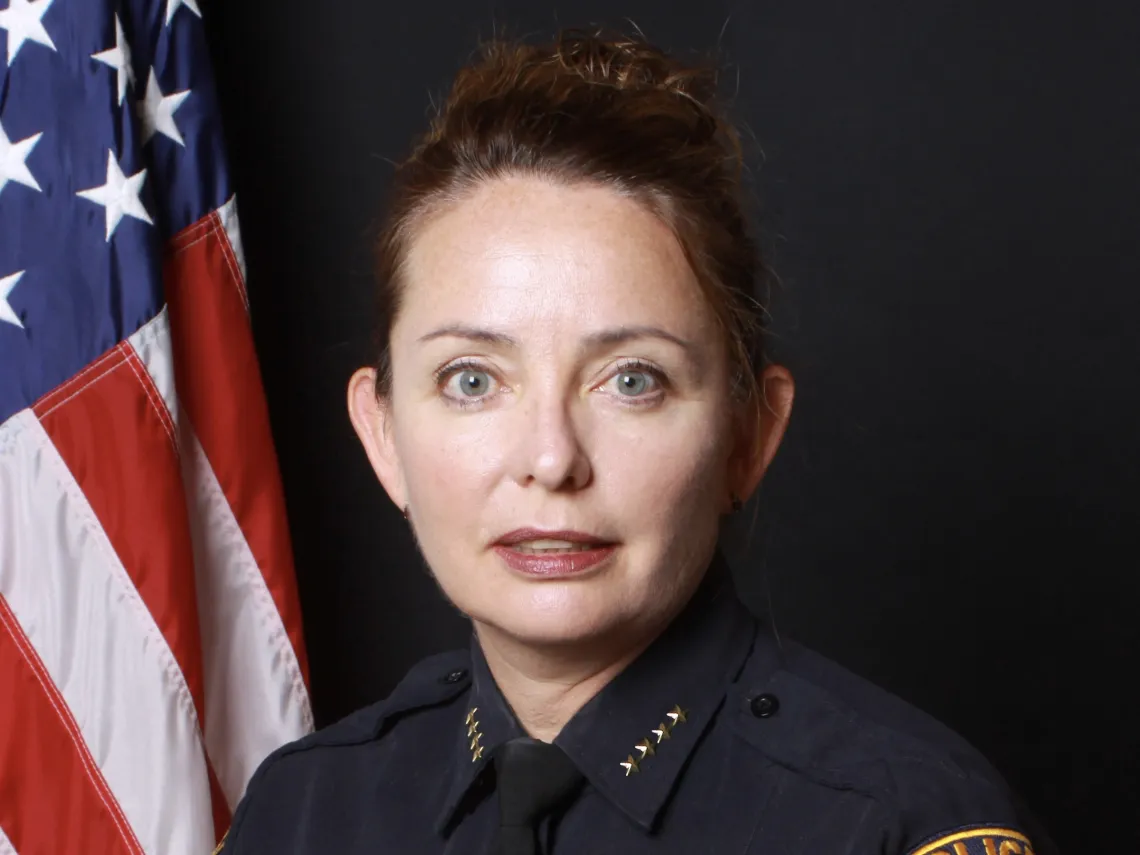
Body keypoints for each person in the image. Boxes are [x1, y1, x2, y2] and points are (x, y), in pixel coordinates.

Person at [218, 28, 1057, 855]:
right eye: (472, 379)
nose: (551, 459)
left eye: (631, 380)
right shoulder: (302, 810)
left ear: (748, 435)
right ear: (383, 433)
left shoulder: (896, 823)